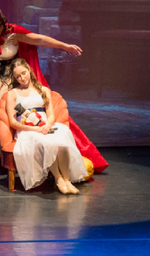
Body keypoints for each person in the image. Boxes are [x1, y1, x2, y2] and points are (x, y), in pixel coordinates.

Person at [0, 6, 106, 173]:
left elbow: (40, 39)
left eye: (0, 25)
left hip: (7, 83)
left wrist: (64, 46)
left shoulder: (13, 34)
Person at [6, 58, 88, 194]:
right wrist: (35, 129)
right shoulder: (12, 94)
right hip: (28, 130)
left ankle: (67, 180)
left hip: (46, 126)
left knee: (62, 141)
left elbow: (51, 115)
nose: (22, 78)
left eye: (24, 73)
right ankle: (58, 179)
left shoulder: (43, 90)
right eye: (18, 76)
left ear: (29, 70)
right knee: (47, 143)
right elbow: (13, 122)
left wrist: (47, 125)